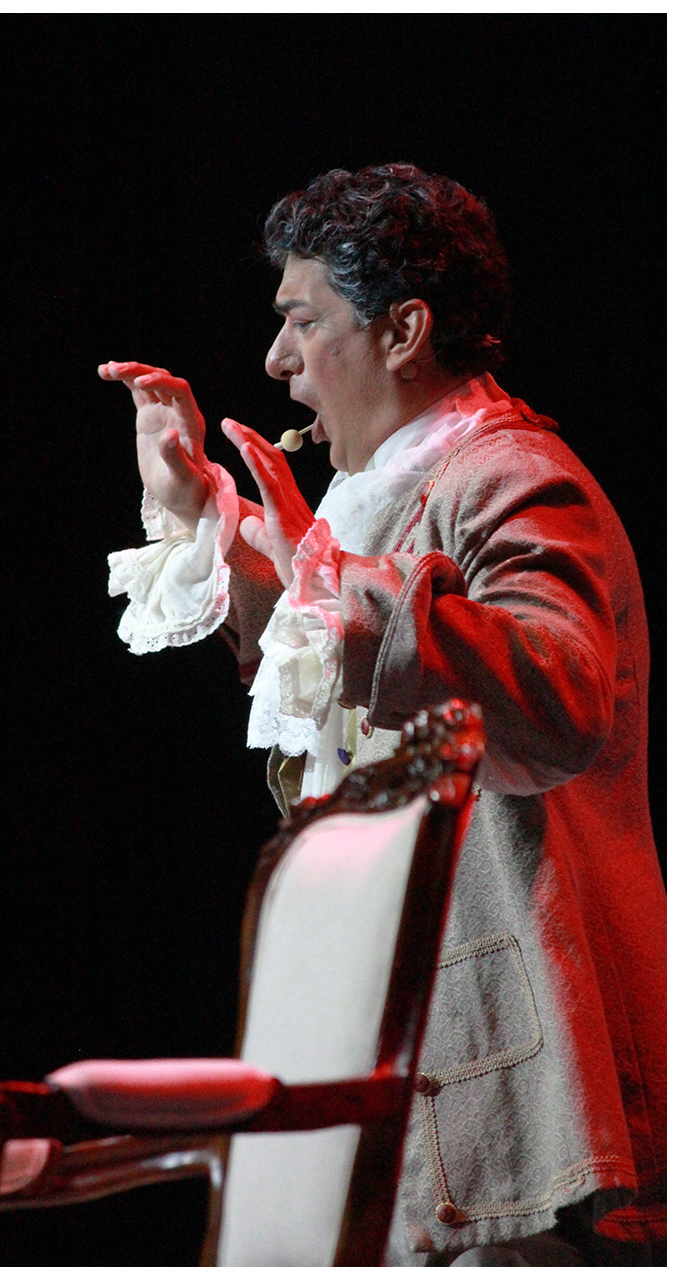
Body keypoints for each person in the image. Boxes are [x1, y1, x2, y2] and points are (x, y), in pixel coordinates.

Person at [99, 164, 666, 1265]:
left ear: (402, 331)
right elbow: (327, 667)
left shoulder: (508, 475)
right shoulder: (389, 494)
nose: (277, 360)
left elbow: (556, 703)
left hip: (518, 1087)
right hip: (412, 1068)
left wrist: (321, 574)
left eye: (303, 321)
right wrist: (205, 518)